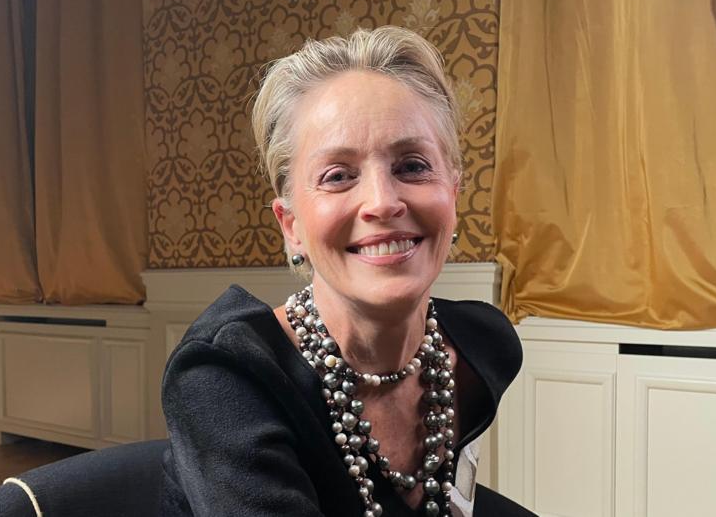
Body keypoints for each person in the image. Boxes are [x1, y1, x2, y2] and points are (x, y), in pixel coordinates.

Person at [161, 26, 528, 517]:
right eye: (338, 176)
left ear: (454, 197)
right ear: (291, 226)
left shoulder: (481, 349)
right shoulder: (223, 377)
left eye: (413, 166)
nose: (382, 201)